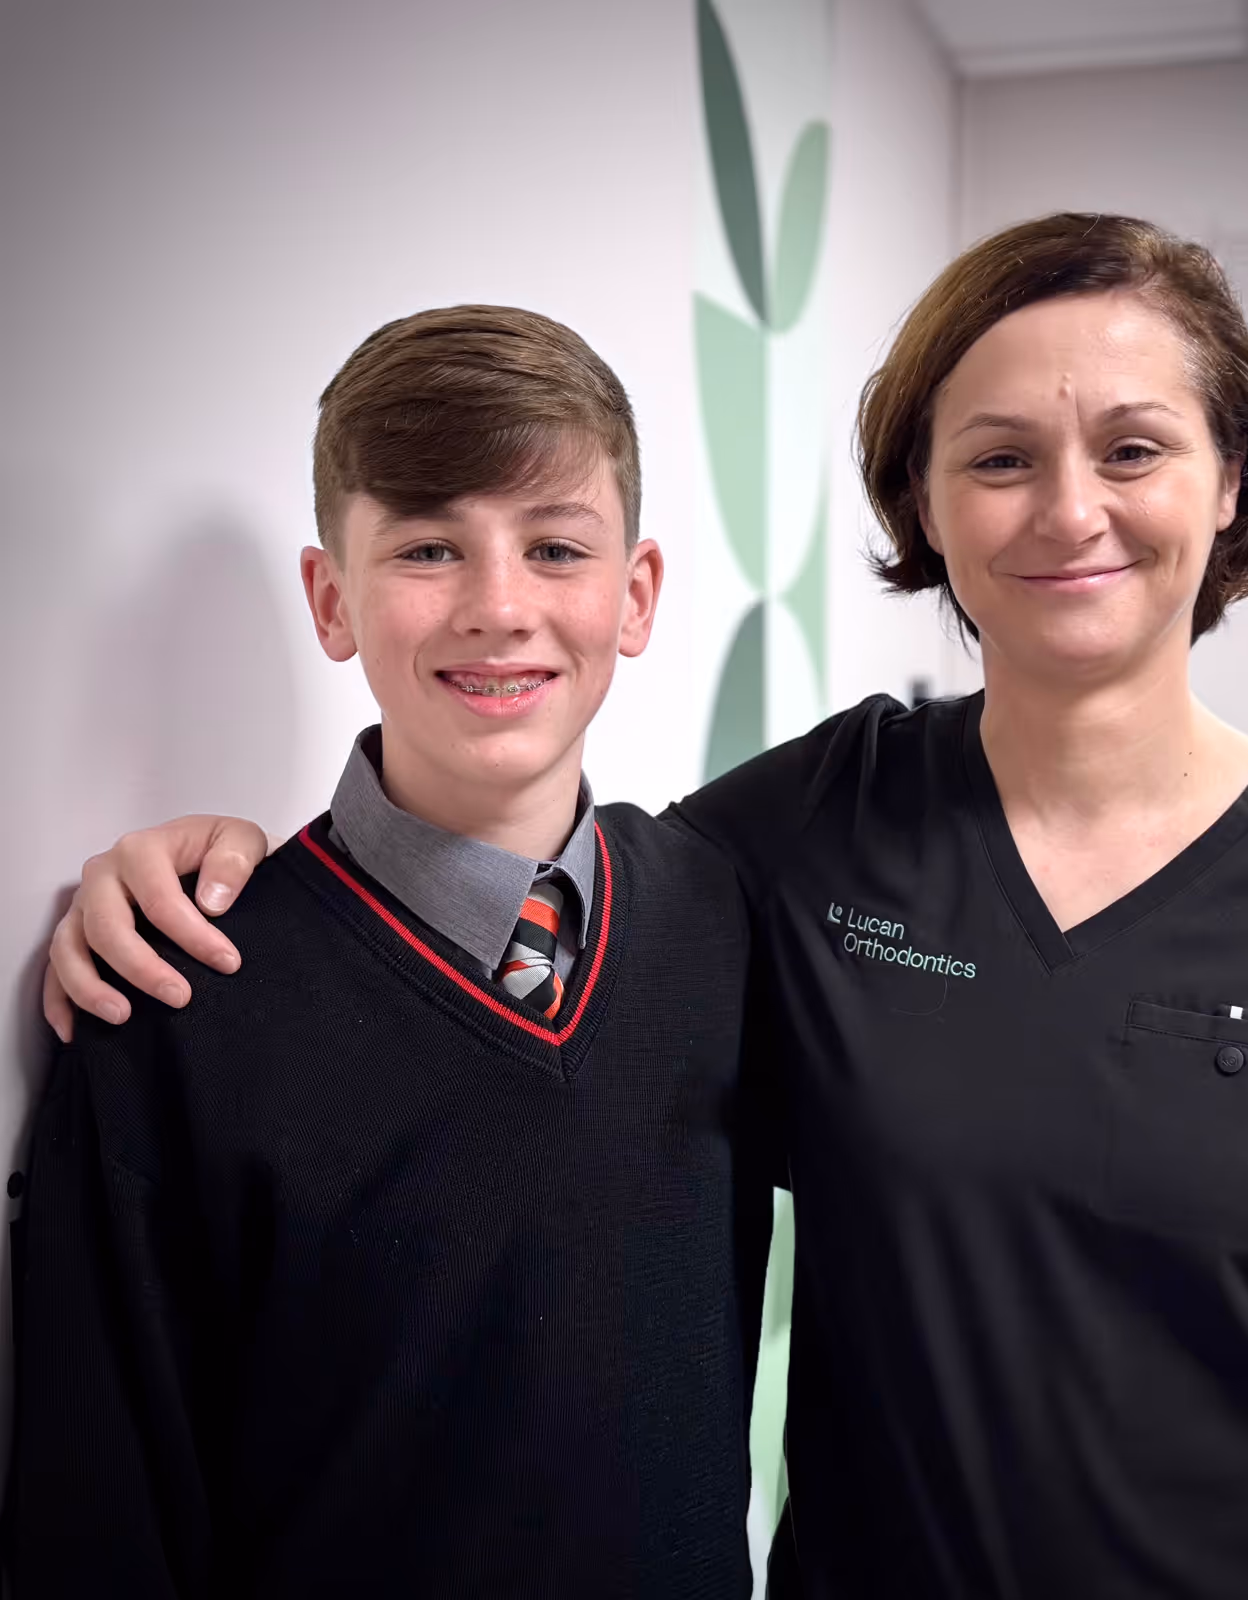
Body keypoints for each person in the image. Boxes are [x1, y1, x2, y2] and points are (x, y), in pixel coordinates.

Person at [41, 215, 1248, 1600]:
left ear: (1234, 481)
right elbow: (494, 901)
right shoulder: (799, 841)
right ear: (928, 504)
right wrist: (185, 864)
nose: (1070, 508)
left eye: (1137, 448)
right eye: (1002, 456)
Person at [11, 306, 770, 1598]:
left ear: (634, 597)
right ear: (332, 599)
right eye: (428, 548)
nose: (498, 606)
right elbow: (97, 1506)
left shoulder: (729, 920)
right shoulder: (174, 994)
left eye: (553, 547)